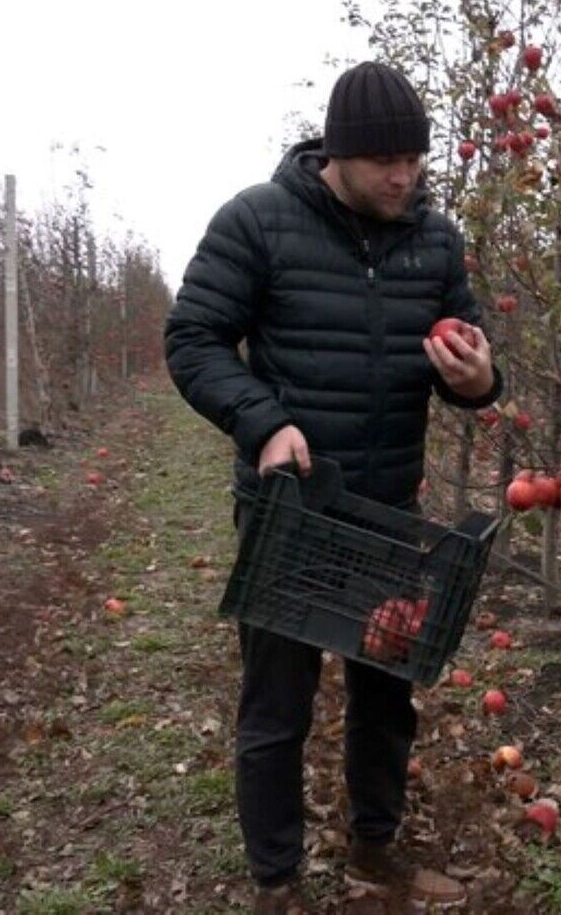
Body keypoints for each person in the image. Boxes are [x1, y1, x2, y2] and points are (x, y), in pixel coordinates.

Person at [164, 60, 502, 914]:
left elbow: (473, 357)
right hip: (290, 508)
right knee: (277, 704)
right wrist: (261, 421)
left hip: (387, 509)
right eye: (386, 161)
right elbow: (194, 337)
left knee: (386, 694)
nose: (404, 176)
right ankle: (276, 880)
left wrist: (477, 377)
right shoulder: (258, 222)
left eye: (415, 160)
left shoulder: (435, 239)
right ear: (337, 155)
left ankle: (377, 847)